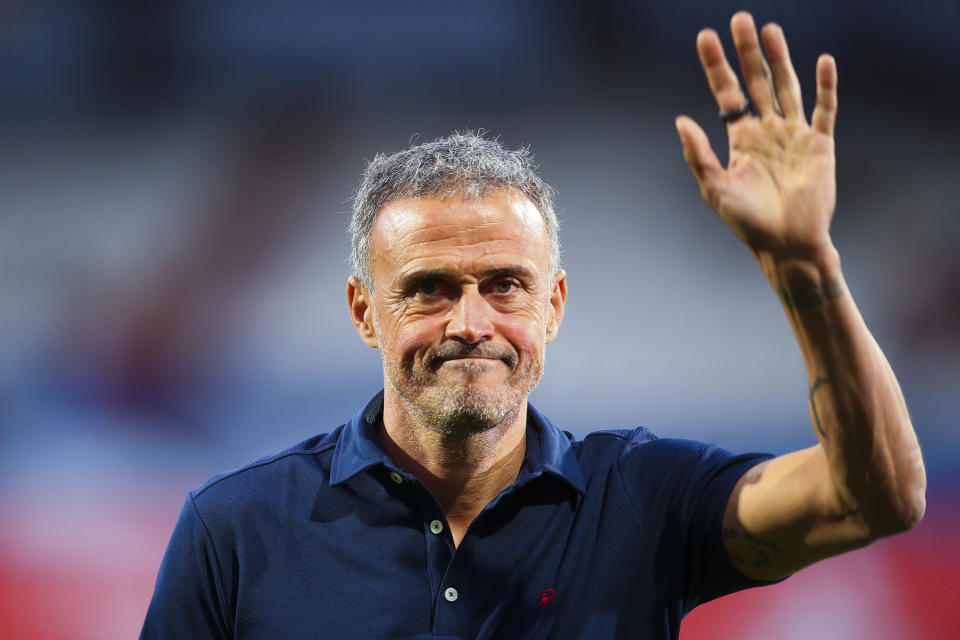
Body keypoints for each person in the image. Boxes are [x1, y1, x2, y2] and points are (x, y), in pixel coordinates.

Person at [141, 11, 925, 639]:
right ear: (363, 313)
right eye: (430, 289)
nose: (471, 322)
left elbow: (878, 497)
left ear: (552, 306)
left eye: (506, 286)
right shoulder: (236, 529)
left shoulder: (645, 502)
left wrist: (804, 261)